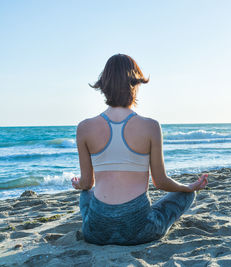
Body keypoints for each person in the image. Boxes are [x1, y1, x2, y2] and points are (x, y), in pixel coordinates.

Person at [71, 54, 208, 245]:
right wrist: (188, 187)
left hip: (96, 233)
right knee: (187, 195)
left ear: (103, 85)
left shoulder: (84, 127)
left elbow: (87, 183)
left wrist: (78, 184)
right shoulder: (151, 126)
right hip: (139, 230)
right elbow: (160, 181)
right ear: (135, 84)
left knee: (86, 193)